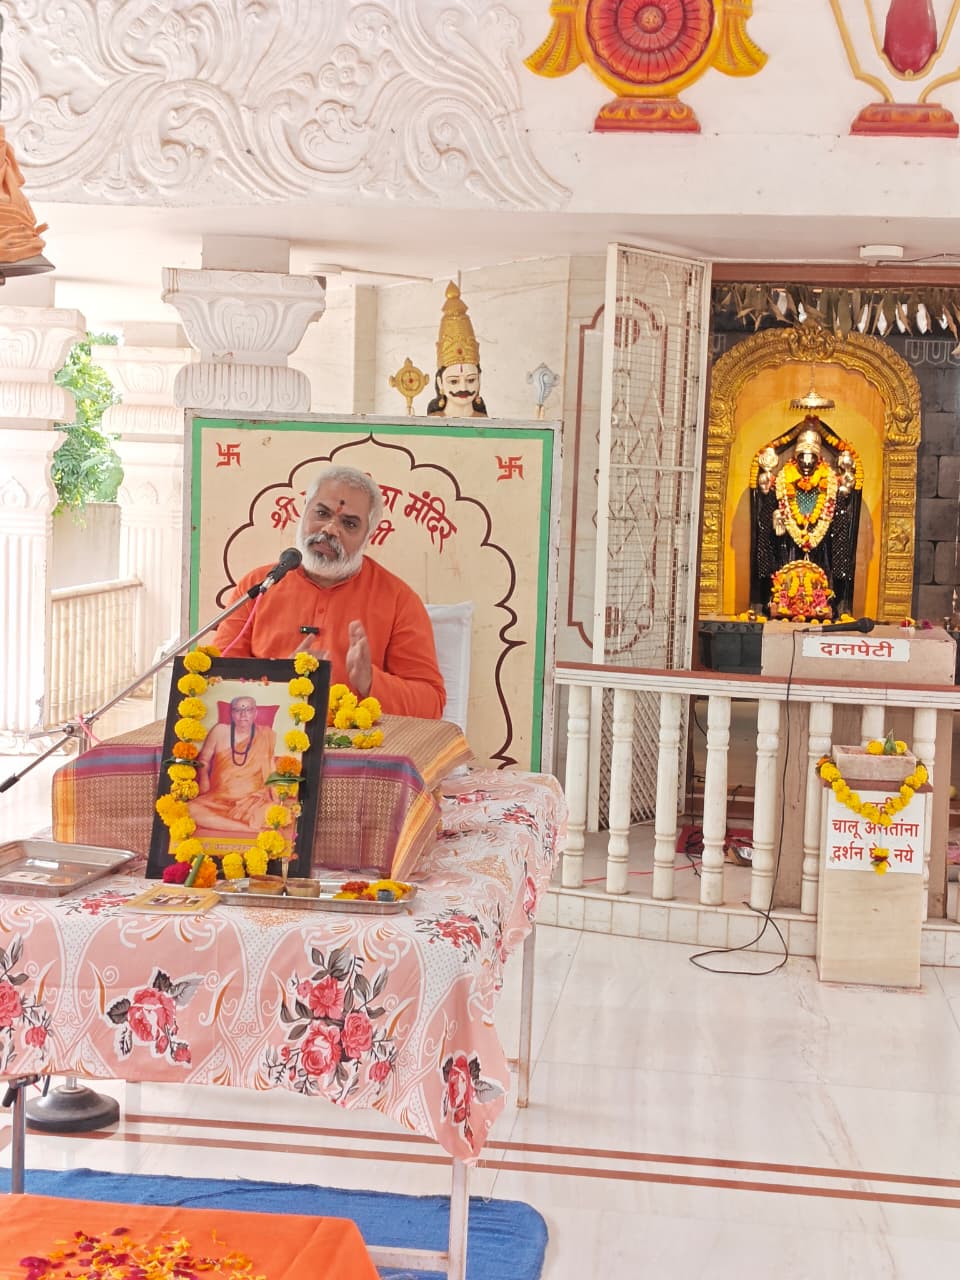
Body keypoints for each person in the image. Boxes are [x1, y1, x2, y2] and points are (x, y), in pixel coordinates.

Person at [214, 465, 446, 719]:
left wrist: (371, 681)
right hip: (265, 737)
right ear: (304, 511)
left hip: (359, 741)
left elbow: (431, 704)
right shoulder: (259, 586)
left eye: (349, 523)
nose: (330, 529)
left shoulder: (398, 600)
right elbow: (215, 681)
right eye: (322, 513)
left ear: (368, 536)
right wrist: (280, 679)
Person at [750, 419, 862, 617]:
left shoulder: (830, 482)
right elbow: (765, 518)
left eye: (812, 459)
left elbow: (841, 521)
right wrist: (775, 517)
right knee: (786, 582)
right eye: (803, 458)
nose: (807, 464)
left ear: (819, 459)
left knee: (820, 587)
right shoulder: (783, 480)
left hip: (822, 545)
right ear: (796, 458)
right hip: (787, 544)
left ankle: (822, 608)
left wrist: (829, 523)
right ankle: (783, 606)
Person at [190, 695, 277, 835]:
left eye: (248, 710)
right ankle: (249, 829)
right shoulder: (220, 731)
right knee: (189, 809)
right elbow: (204, 760)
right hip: (218, 798)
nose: (243, 715)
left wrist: (276, 796)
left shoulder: (265, 735)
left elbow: (271, 767)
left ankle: (232, 823)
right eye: (238, 710)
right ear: (232, 713)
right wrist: (204, 779)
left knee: (275, 813)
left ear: (255, 713)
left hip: (251, 802)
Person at [426, 281, 488, 417]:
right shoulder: (433, 423)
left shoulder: (484, 421)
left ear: (479, 379)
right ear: (440, 383)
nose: (463, 388)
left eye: (471, 380)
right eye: (454, 381)